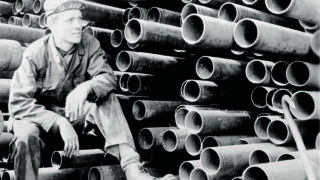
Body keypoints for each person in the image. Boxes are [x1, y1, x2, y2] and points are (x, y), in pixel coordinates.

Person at [8, 0, 178, 179]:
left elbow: (108, 78)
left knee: (105, 98)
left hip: (74, 117)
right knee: (26, 135)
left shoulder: (89, 43)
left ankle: (133, 169)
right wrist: (59, 122)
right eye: (70, 20)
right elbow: (19, 104)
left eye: (79, 19)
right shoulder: (33, 55)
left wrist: (88, 86)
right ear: (52, 23)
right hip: (40, 122)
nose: (78, 26)